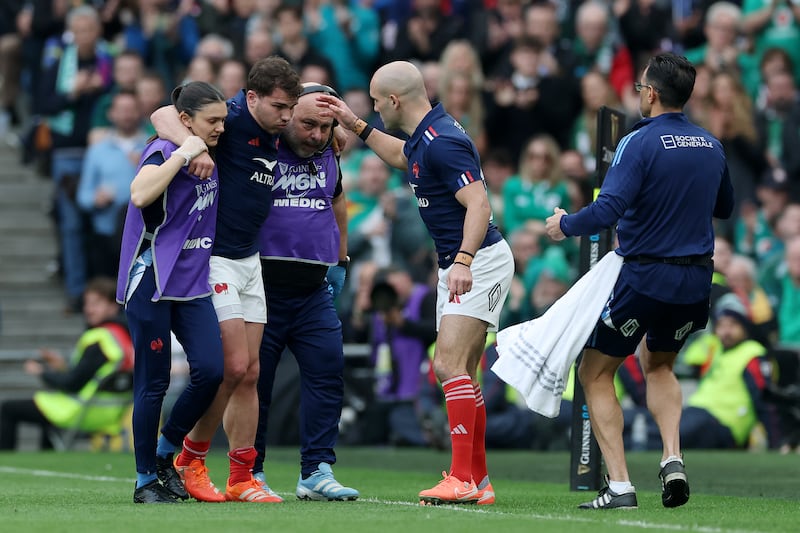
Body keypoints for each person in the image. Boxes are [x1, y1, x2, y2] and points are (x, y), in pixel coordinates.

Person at [318, 60, 515, 506]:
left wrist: (463, 260)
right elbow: (402, 157)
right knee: (461, 372)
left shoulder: (442, 141)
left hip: (476, 259)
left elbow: (479, 204)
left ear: (393, 100)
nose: (371, 107)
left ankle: (463, 478)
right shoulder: (427, 135)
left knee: (447, 367)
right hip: (463, 260)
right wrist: (358, 125)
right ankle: (477, 481)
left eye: (373, 102)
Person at [545, 52, 735, 510]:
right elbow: (724, 207)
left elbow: (607, 210)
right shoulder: (712, 145)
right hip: (696, 282)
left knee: (594, 371)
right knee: (660, 364)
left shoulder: (638, 142)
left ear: (650, 93)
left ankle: (621, 486)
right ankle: (672, 457)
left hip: (646, 275)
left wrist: (564, 225)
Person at [150, 56, 302, 504]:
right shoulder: (227, 119)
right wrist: (191, 147)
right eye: (279, 107)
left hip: (249, 259)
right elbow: (161, 114)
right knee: (232, 367)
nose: (287, 117)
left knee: (250, 373)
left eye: (291, 108)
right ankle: (188, 459)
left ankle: (242, 476)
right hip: (214, 258)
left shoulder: (275, 129)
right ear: (252, 98)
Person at [117, 81, 227, 504]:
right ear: (187, 121)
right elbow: (140, 193)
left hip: (192, 282)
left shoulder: (211, 139)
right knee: (154, 383)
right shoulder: (163, 152)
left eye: (222, 120)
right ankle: (146, 481)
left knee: (212, 371)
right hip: (153, 282)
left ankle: (166, 453)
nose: (220, 128)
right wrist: (186, 150)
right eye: (211, 121)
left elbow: (163, 110)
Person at [251, 83, 358, 501]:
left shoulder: (329, 151)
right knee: (255, 384)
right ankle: (250, 471)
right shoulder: (259, 145)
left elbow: (337, 202)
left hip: (314, 290)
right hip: (262, 287)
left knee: (328, 373)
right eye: (308, 123)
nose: (316, 134)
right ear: (286, 115)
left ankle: (316, 470)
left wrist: (341, 261)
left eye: (325, 126)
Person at [0, 277, 133, 450]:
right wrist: (62, 366)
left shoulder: (98, 338)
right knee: (45, 414)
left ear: (113, 306)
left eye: (96, 304)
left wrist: (42, 372)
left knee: (8, 408)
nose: (88, 309)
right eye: (87, 304)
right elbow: (92, 376)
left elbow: (72, 384)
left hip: (83, 411)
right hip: (113, 413)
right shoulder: (125, 337)